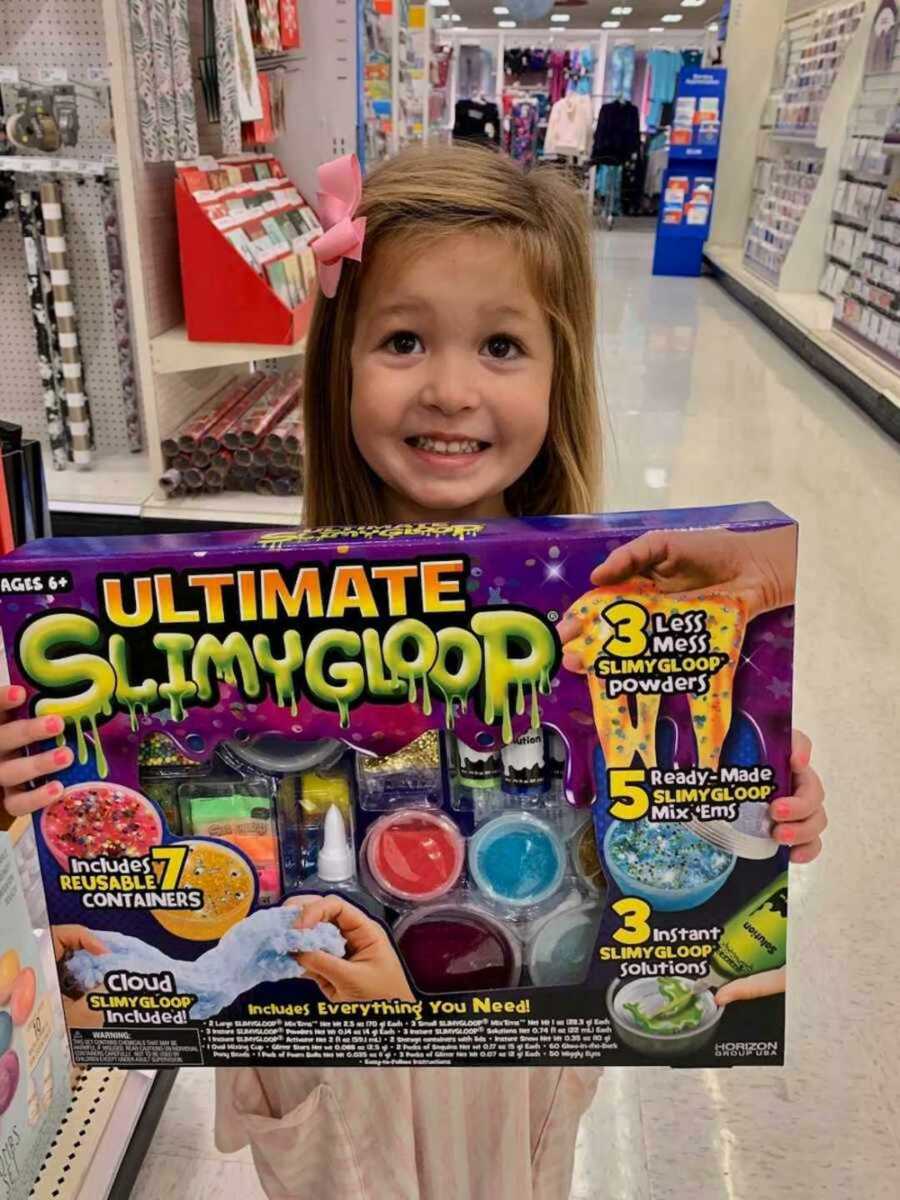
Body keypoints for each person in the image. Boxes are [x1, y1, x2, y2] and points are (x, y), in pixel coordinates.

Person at [0, 144, 826, 1200]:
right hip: (327, 1040)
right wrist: (25, 786)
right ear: (340, 359)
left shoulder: (618, 617)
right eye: (401, 339)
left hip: (511, 1040)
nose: (448, 388)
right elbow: (113, 850)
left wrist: (765, 810)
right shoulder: (242, 607)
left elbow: (679, 812)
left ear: (559, 370)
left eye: (499, 344)